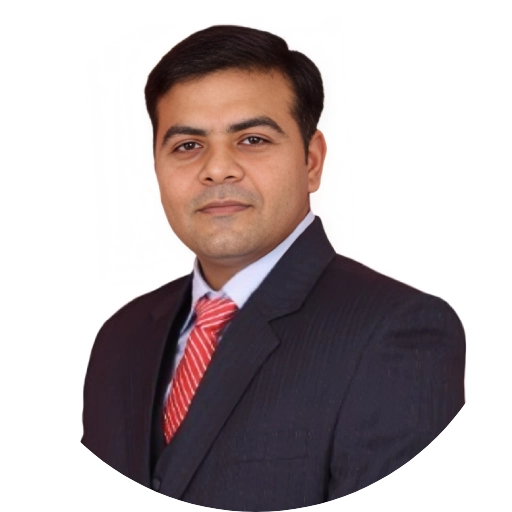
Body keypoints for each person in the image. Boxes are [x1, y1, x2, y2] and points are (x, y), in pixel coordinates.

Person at [81, 25, 465, 510]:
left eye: (252, 139)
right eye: (187, 146)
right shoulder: (121, 337)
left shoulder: (398, 331)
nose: (217, 169)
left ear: (311, 161)